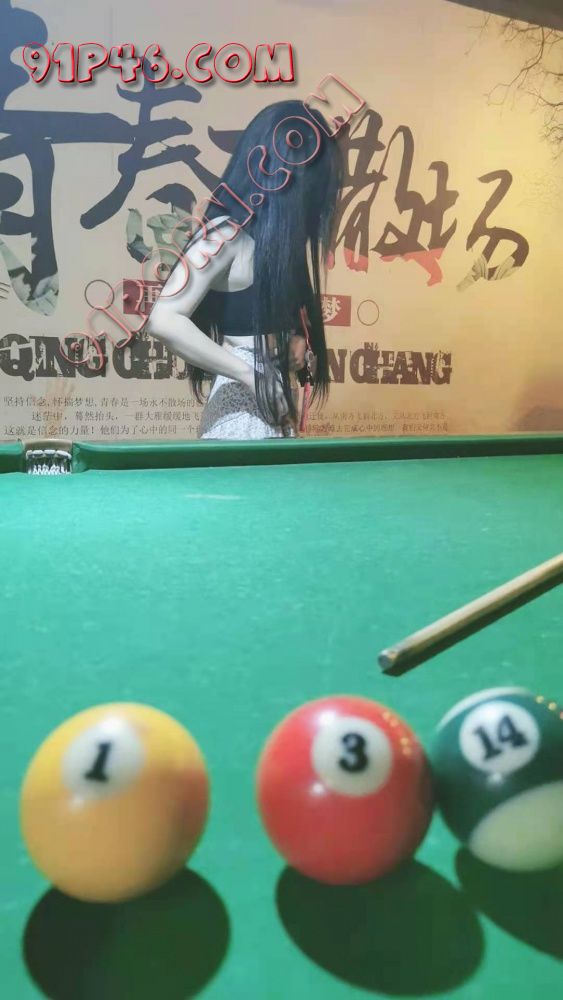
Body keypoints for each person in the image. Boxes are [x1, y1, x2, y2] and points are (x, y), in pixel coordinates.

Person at [144, 99, 344, 439]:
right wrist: (249, 376)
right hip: (241, 410)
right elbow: (163, 320)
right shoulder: (224, 234)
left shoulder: (278, 245)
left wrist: (295, 341)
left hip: (272, 396)